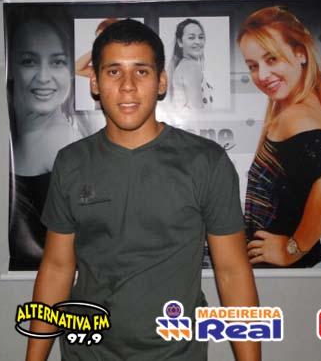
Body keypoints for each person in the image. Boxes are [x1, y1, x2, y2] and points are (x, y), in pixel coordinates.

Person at [26, 19, 260, 361]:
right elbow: (57, 268)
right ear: (94, 82)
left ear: (161, 81)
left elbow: (232, 271)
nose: (128, 86)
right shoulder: (71, 162)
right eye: (114, 72)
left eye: (141, 71)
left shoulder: (206, 161)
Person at [237, 6, 321, 268]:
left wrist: (291, 250)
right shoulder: (298, 107)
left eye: (272, 59)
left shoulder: (296, 116)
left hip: (299, 274)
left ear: (300, 52)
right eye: (253, 66)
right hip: (301, 273)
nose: (262, 75)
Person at [7, 9, 89, 271]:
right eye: (29, 61)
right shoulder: (11, 137)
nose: (43, 77)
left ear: (72, 70)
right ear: (10, 68)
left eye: (57, 62)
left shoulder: (62, 142)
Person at [169, 18, 214, 109]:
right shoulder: (191, 66)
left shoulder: (182, 65)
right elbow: (197, 109)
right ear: (180, 42)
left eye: (200, 37)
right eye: (191, 38)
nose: (198, 42)